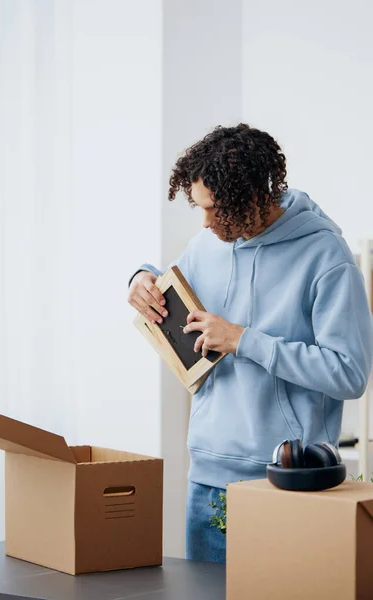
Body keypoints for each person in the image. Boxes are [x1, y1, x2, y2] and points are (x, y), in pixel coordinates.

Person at [127, 123, 373, 564]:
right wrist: (141, 278)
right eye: (199, 208)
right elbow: (173, 283)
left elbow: (350, 373)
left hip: (286, 482)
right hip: (206, 476)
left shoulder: (326, 258)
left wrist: (244, 340)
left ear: (256, 197)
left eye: (214, 208)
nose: (203, 222)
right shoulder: (209, 242)